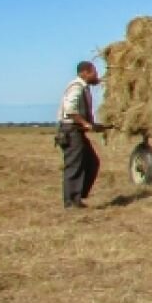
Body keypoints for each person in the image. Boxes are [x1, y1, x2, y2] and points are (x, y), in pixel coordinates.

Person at [56, 61, 107, 209]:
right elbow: (70, 110)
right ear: (84, 72)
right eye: (94, 72)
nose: (96, 75)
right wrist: (85, 124)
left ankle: (77, 197)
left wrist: (94, 125)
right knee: (74, 166)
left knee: (92, 162)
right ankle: (71, 202)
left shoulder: (84, 87)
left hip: (76, 131)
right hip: (71, 131)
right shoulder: (76, 88)